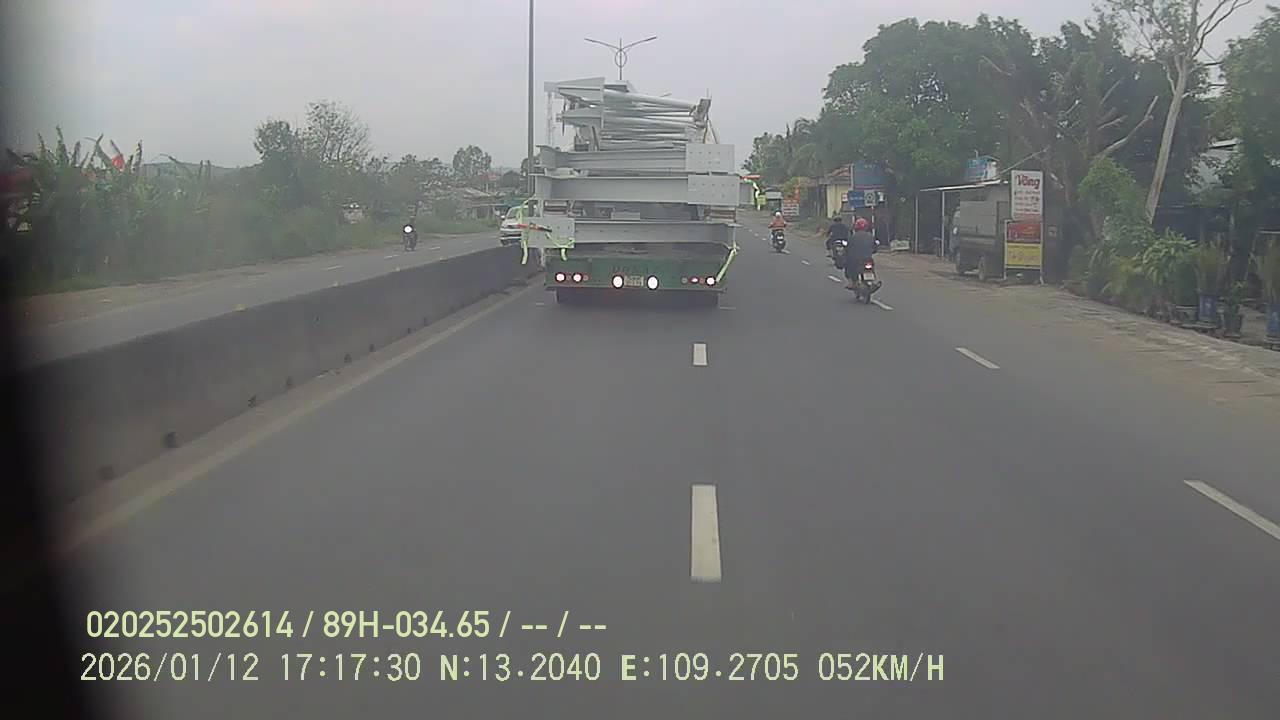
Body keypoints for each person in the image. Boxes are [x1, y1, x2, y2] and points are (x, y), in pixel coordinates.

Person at [845, 217, 877, 289]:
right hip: (868, 258)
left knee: (848, 266)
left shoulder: (853, 237)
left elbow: (848, 248)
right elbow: (875, 248)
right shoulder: (870, 236)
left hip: (855, 259)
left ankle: (852, 282)